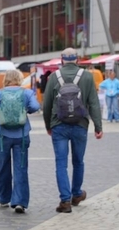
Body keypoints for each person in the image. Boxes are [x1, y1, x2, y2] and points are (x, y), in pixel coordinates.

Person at [42, 47, 103, 213]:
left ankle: (65, 201)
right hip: (80, 125)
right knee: (78, 161)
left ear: (62, 59)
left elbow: (46, 105)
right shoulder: (87, 76)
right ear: (77, 59)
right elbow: (94, 103)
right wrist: (98, 126)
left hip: (59, 125)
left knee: (61, 163)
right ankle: (76, 194)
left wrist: (48, 125)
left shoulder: (54, 77)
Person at [0, 70, 41, 214]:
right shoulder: (27, 93)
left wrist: (3, 111)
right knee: (21, 167)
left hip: (3, 134)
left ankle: (3, 197)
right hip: (22, 134)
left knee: (3, 165)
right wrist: (25, 110)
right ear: (19, 79)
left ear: (6, 79)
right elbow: (36, 107)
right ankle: (19, 201)